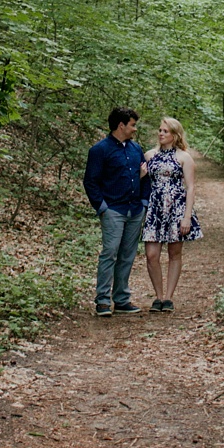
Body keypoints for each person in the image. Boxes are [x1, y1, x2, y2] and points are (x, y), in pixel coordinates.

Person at [83, 107, 146, 317]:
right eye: (132, 125)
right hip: (113, 210)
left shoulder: (136, 149)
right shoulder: (100, 150)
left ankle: (121, 299)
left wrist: (144, 202)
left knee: (127, 255)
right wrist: (102, 208)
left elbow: (145, 176)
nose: (134, 129)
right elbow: (91, 181)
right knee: (110, 253)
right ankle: (102, 301)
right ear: (121, 125)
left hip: (135, 209)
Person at [140, 116, 202, 312]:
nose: (161, 134)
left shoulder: (184, 157)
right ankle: (157, 296)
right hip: (155, 208)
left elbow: (190, 188)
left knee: (174, 253)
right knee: (151, 255)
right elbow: (139, 181)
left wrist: (187, 216)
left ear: (175, 135)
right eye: (160, 130)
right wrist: (141, 174)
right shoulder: (149, 155)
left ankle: (168, 298)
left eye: (165, 131)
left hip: (176, 208)